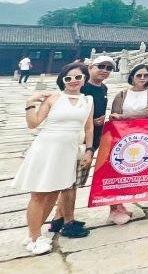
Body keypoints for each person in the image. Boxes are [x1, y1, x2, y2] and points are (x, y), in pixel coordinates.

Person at [14, 62, 94, 255]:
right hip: (46, 149)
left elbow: (89, 127)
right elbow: (33, 123)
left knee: (54, 192)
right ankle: (34, 238)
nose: (73, 81)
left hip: (68, 152)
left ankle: (34, 234)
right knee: (39, 194)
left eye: (78, 77)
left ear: (84, 79)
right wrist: (30, 102)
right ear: (62, 80)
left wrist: (89, 150)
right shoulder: (53, 98)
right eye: (68, 78)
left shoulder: (88, 100)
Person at [51, 54, 113, 236]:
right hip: (75, 141)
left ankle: (58, 218)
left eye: (109, 68)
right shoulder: (81, 87)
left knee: (74, 182)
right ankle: (67, 222)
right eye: (101, 66)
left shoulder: (103, 89)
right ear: (90, 68)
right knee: (69, 182)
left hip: (91, 140)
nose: (104, 70)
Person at [108, 63, 148, 223]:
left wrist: (123, 117)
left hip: (143, 135)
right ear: (132, 77)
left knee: (138, 171)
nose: (143, 78)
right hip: (122, 136)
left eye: (146, 75)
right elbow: (114, 115)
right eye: (139, 75)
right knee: (117, 171)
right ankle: (114, 209)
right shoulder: (122, 94)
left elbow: (147, 112)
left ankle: (122, 205)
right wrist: (119, 119)